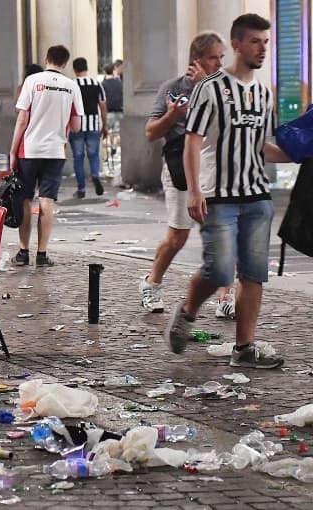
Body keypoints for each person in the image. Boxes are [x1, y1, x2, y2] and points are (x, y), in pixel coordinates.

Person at [166, 14, 291, 368]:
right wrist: (193, 190)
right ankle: (188, 312)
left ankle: (244, 349)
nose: (262, 48)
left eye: (266, 42)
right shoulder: (211, 88)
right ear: (236, 44)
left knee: (253, 273)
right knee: (219, 270)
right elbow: (192, 140)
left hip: (256, 196)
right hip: (218, 195)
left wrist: (299, 155)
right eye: (255, 41)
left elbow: (261, 145)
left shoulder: (263, 94)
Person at [140, 31, 227, 313]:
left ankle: (226, 296)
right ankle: (151, 283)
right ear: (196, 59)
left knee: (225, 233)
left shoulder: (225, 88)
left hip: (215, 168)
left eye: (221, 57)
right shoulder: (172, 87)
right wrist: (172, 116)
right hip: (181, 170)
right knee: (178, 237)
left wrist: (206, 86)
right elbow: (151, 133)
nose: (219, 63)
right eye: (213, 58)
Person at [9, 45, 83, 268]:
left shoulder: (32, 81)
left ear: (46, 59)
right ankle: (42, 254)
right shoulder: (71, 86)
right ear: (65, 63)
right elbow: (77, 126)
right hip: (55, 151)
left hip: (29, 150)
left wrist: (13, 151)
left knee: (24, 200)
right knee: (46, 202)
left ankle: (23, 252)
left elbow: (22, 119)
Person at [69, 57, 107, 199]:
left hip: (76, 126)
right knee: (93, 154)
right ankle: (95, 175)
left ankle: (81, 189)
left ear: (74, 69)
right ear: (87, 68)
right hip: (93, 124)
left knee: (78, 157)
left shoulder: (71, 85)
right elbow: (102, 105)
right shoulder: (96, 84)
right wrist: (105, 125)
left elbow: (68, 107)